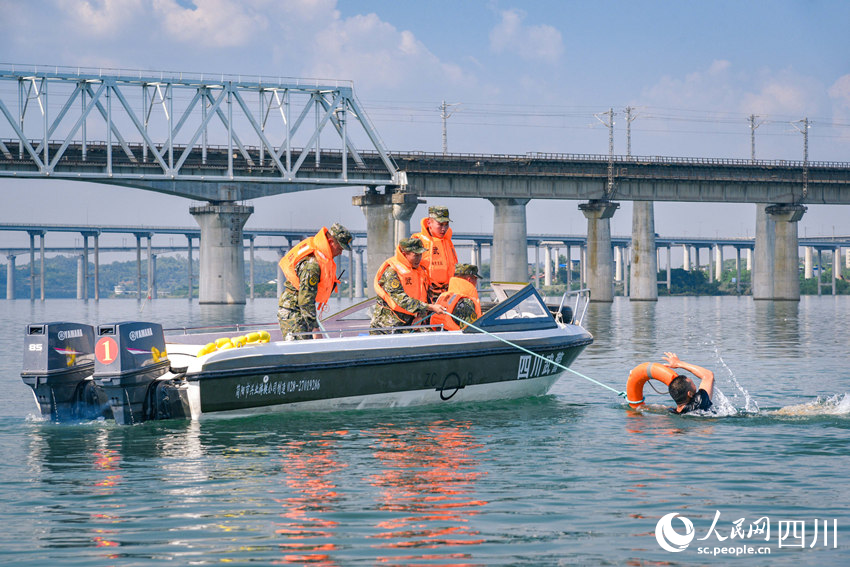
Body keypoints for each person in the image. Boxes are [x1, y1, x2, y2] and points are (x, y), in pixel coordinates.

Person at [277, 223, 353, 340]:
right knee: (300, 348)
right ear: (331, 242)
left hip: (302, 311)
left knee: (308, 346)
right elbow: (305, 300)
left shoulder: (321, 259)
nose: (340, 253)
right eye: (340, 248)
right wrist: (315, 329)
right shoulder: (312, 265)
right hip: (293, 310)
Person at [370, 237, 447, 334]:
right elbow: (401, 299)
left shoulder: (420, 271)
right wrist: (430, 307)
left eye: (420, 255)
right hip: (387, 325)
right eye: (416, 255)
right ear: (404, 254)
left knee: (433, 336)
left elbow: (424, 297)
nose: (419, 259)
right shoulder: (392, 271)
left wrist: (421, 316)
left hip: (410, 322)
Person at [411, 205, 458, 302]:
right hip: (425, 294)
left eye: (446, 224)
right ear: (429, 223)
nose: (444, 229)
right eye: (440, 224)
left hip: (446, 293)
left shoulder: (448, 242)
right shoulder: (418, 241)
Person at [431, 263, 482, 331]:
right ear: (469, 280)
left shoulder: (443, 296)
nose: (476, 283)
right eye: (476, 279)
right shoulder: (466, 302)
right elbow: (470, 331)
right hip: (457, 336)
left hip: (440, 335)